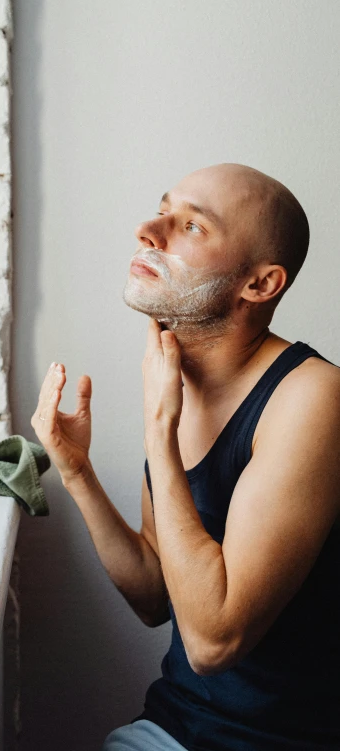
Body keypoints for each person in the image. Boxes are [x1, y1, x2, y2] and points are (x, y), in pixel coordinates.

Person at [31, 163, 340, 751]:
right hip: (171, 726)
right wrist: (78, 474)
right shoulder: (179, 380)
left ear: (259, 284)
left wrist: (159, 431)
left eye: (193, 226)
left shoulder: (312, 397)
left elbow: (212, 643)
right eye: (163, 208)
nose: (149, 229)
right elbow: (155, 595)